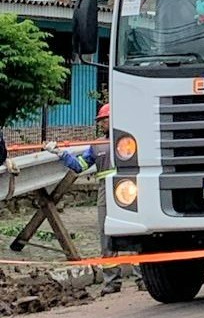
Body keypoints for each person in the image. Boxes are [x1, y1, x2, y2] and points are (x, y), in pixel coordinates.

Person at [45, 103, 144, 295]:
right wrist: (60, 153)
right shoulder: (97, 145)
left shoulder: (131, 141)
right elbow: (79, 165)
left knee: (136, 234)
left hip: (129, 189)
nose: (102, 124)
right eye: (101, 121)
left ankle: (142, 278)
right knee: (106, 237)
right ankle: (112, 282)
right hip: (105, 192)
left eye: (104, 120)